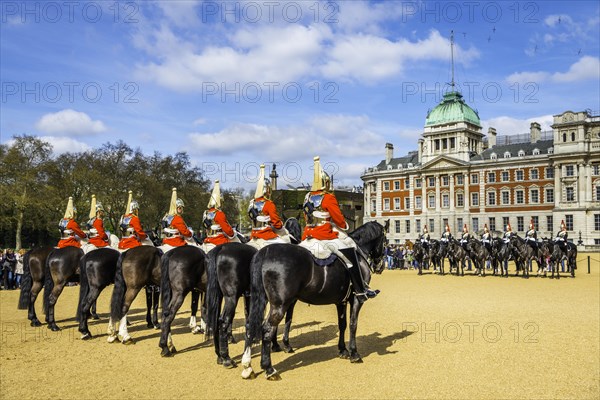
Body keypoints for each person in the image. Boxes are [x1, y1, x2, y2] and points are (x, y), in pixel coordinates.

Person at [300, 156, 378, 303]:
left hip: (308, 235)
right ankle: (361, 289)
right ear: (326, 183)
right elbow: (339, 220)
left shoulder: (307, 197)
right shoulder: (328, 198)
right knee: (349, 251)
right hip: (324, 236)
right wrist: (343, 226)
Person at [248, 164, 290, 249]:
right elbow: (277, 224)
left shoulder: (251, 203)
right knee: (287, 245)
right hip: (265, 235)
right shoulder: (268, 204)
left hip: (253, 235)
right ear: (267, 189)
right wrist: (280, 225)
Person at [202, 180, 239, 253]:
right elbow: (228, 231)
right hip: (218, 241)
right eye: (221, 202)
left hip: (208, 240)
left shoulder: (206, 213)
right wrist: (233, 233)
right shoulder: (219, 213)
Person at [159, 188, 199, 253]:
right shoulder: (177, 218)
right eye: (180, 208)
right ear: (176, 208)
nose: (181, 209)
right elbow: (185, 232)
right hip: (176, 241)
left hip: (166, 240)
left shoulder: (166, 217)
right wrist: (191, 233)